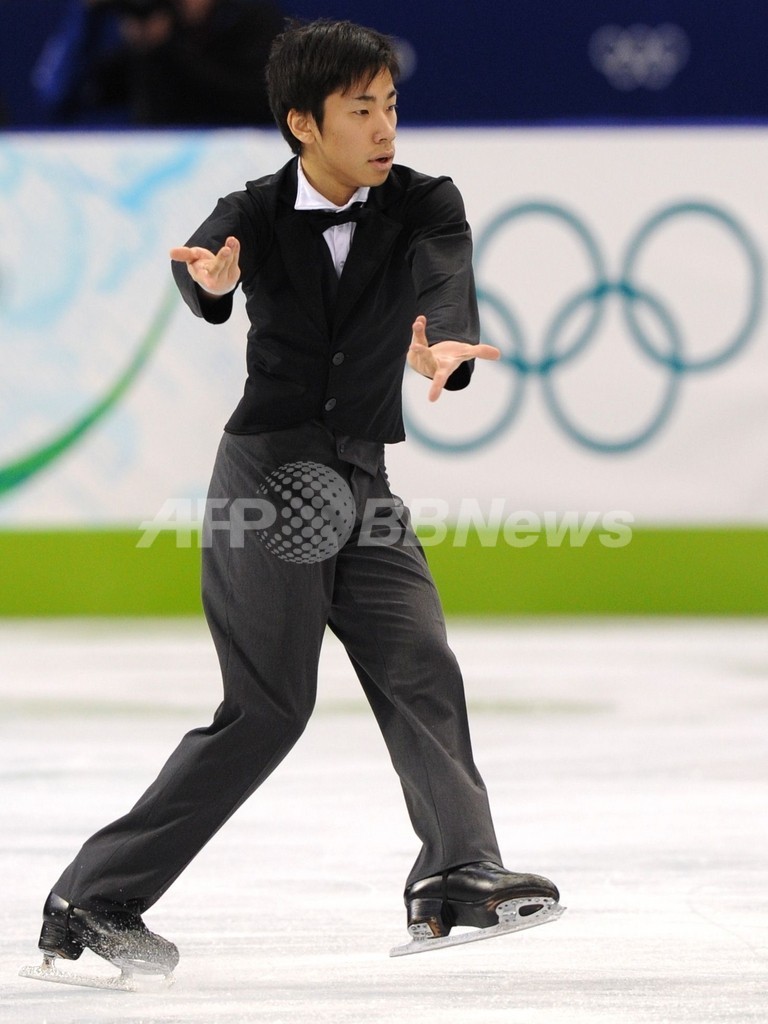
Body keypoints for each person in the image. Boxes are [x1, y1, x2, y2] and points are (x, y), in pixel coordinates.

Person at [30, 19, 561, 980]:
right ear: (303, 124)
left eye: (391, 105)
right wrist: (212, 287)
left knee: (419, 661)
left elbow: (444, 274)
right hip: (272, 478)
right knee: (269, 708)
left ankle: (457, 872)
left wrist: (446, 340)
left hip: (363, 474)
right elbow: (202, 267)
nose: (385, 128)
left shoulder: (425, 200)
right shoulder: (254, 209)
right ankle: (93, 897)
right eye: (361, 110)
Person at [32, 0, 285, 127]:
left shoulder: (251, 21)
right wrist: (87, 16)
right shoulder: (148, 41)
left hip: (239, 169)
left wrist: (171, 49)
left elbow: (260, 102)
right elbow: (57, 95)